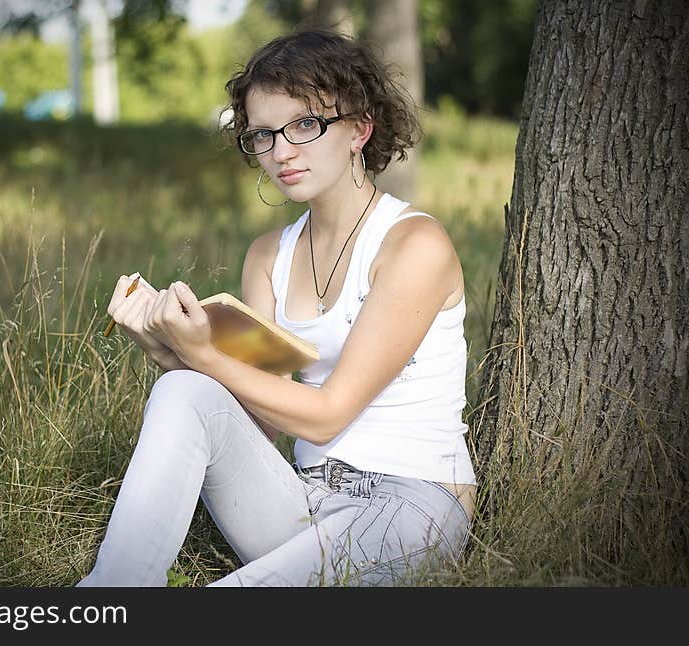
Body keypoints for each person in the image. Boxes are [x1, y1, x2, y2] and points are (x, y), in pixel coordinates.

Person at [77, 29, 477, 587]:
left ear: (360, 129)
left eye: (305, 125)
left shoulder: (415, 246)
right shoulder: (269, 255)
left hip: (409, 505)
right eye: (263, 134)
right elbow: (260, 421)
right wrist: (170, 352)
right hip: (302, 498)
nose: (281, 151)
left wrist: (205, 355)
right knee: (184, 390)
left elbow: (329, 413)